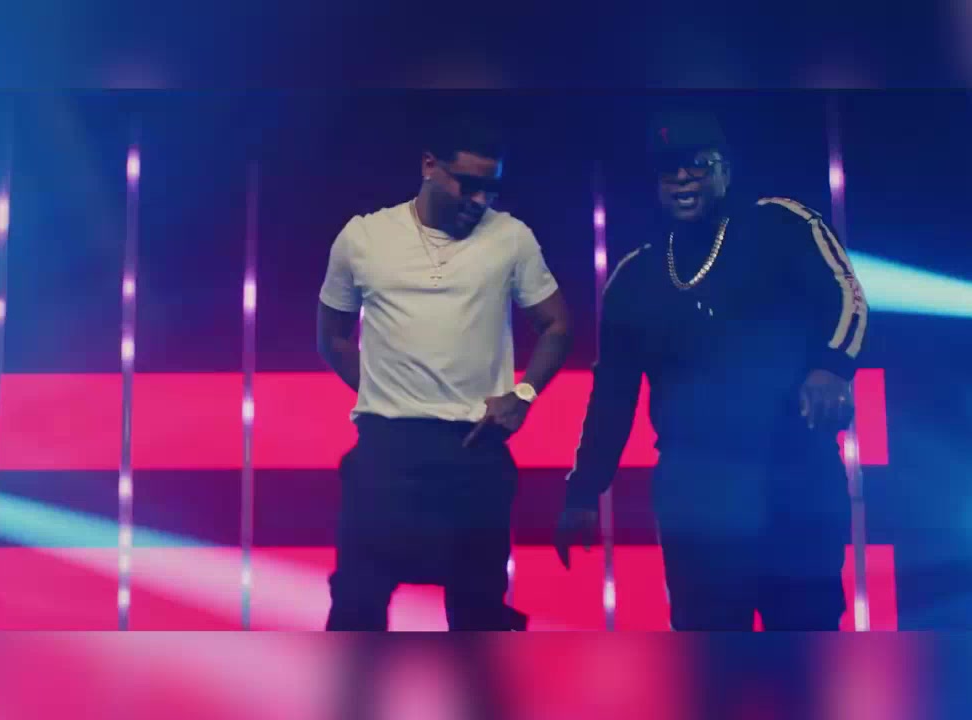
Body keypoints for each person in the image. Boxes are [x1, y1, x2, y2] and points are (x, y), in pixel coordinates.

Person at [554, 110, 869, 631]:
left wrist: (831, 367)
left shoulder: (782, 224)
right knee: (707, 645)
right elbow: (612, 396)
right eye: (668, 169)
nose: (682, 178)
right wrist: (584, 491)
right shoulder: (635, 276)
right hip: (694, 491)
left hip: (791, 472)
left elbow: (847, 296)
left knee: (807, 637)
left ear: (725, 168)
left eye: (697, 165)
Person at [317, 113, 572, 631]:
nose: (480, 200)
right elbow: (334, 336)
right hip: (387, 451)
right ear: (430, 166)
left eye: (490, 188)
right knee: (357, 605)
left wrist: (523, 394)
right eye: (468, 184)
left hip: (474, 448)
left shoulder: (511, 237)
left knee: (479, 610)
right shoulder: (363, 237)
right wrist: (385, 389)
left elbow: (558, 325)